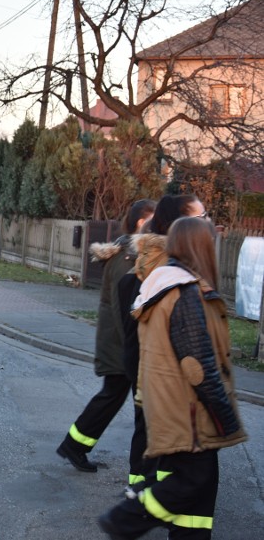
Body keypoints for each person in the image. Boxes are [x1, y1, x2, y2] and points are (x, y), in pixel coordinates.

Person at [99, 217, 247, 539]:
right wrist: (226, 418)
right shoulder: (186, 293)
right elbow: (198, 365)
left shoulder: (164, 285)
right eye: (211, 243)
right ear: (201, 246)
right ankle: (124, 519)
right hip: (191, 412)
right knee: (193, 480)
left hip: (175, 407)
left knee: (197, 498)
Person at [56, 199, 156, 472]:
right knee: (129, 401)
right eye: (154, 219)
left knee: (113, 396)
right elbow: (125, 307)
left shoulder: (129, 252)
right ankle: (141, 468)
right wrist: (133, 348)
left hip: (120, 342)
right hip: (121, 343)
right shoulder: (127, 258)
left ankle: (74, 446)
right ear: (141, 223)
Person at [117, 194, 208, 492]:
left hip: (151, 367)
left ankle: (143, 494)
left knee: (153, 429)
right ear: (178, 225)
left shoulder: (177, 266)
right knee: (157, 430)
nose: (207, 223)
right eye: (200, 217)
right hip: (157, 368)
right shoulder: (164, 273)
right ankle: (142, 502)